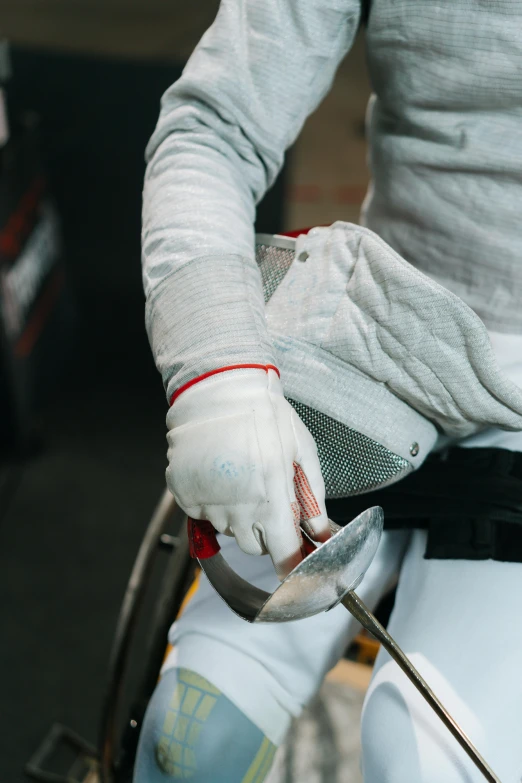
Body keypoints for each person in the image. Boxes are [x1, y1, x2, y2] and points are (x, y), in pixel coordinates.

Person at [134, 2, 522, 780]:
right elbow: (212, 128)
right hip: (382, 338)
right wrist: (220, 377)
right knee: (191, 740)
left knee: (418, 761)